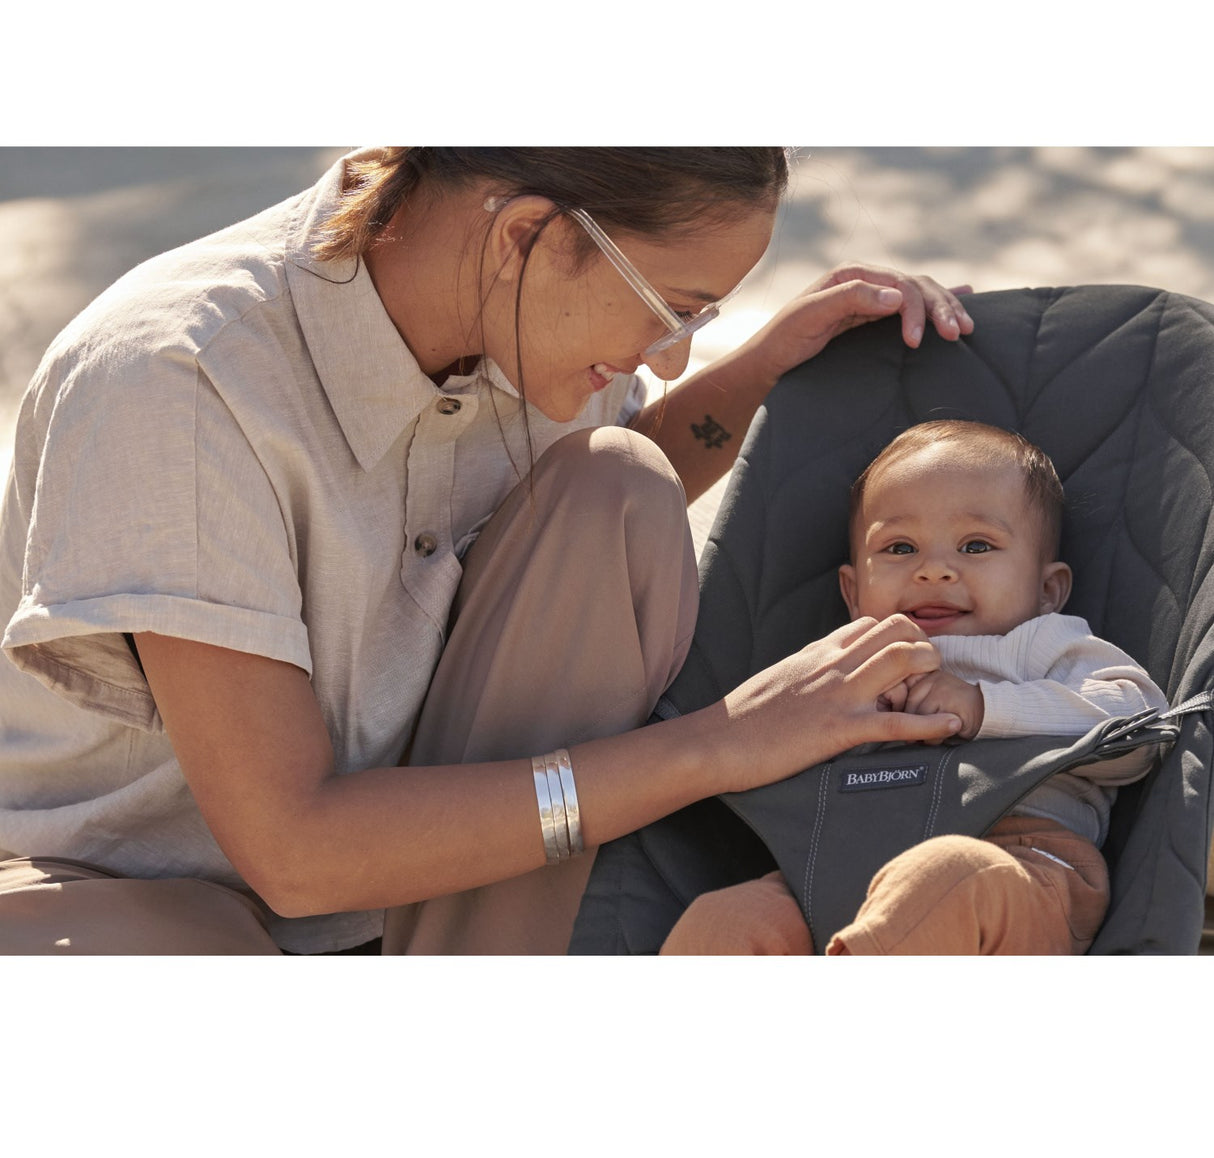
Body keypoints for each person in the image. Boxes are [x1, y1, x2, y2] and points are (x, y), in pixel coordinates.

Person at [0, 147, 974, 956]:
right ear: (524, 234)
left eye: (700, 319)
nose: (671, 351)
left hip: (415, 875)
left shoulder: (508, 306)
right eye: (670, 306)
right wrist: (720, 742)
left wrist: (764, 369)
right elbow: (292, 851)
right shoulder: (179, 383)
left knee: (618, 483)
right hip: (132, 892)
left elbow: (589, 505)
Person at [661, 419, 1167, 955]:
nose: (934, 570)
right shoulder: (841, 662)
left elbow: (1140, 724)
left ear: (1047, 590)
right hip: (834, 868)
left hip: (1019, 861)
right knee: (725, 919)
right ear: (854, 594)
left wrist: (983, 707)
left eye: (976, 545)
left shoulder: (1039, 644)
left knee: (946, 876)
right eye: (901, 548)